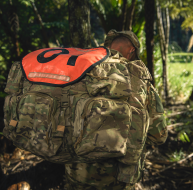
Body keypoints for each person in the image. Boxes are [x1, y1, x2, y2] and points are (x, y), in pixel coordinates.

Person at [65, 29, 168, 190]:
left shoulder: (81, 74)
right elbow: (159, 135)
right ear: (132, 50)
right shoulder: (141, 83)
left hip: (76, 171)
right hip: (118, 177)